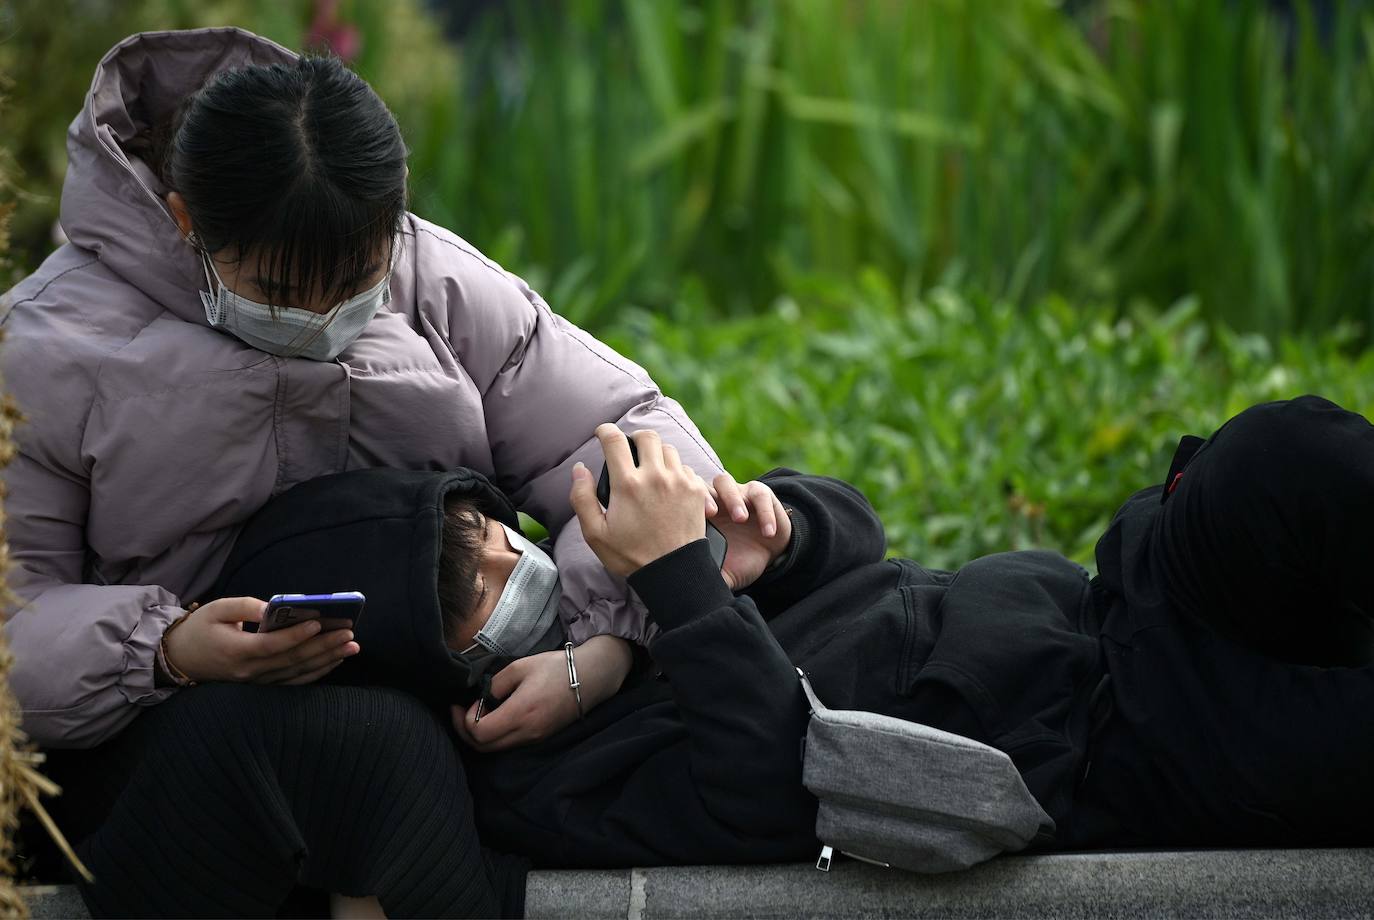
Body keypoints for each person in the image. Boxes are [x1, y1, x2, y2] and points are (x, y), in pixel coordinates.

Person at [0, 26, 780, 917]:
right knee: (370, 747)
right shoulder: (48, 350)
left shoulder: (432, 281)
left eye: (358, 279)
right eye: (286, 292)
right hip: (162, 734)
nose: (329, 314)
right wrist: (169, 650)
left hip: (448, 686)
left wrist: (597, 652)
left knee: (790, 536)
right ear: (187, 222)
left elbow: (628, 441)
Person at [219, 399, 1373, 876]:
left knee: (1280, 455)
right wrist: (682, 588)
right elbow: (773, 791)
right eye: (461, 589)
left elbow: (864, 536)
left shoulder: (603, 593)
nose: (500, 561)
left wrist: (779, 530)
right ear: (435, 663)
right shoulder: (540, 781)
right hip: (1123, 745)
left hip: (1096, 607)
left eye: (478, 529)